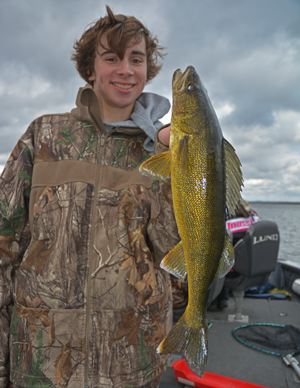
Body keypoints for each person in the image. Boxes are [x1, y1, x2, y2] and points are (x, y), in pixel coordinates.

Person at [0, 6, 178, 388]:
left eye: (136, 59)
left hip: (130, 365)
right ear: (89, 69)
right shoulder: (43, 136)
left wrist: (186, 165)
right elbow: (4, 244)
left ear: (148, 70)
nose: (125, 70)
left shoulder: (164, 155)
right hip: (41, 361)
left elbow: (177, 256)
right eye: (111, 58)